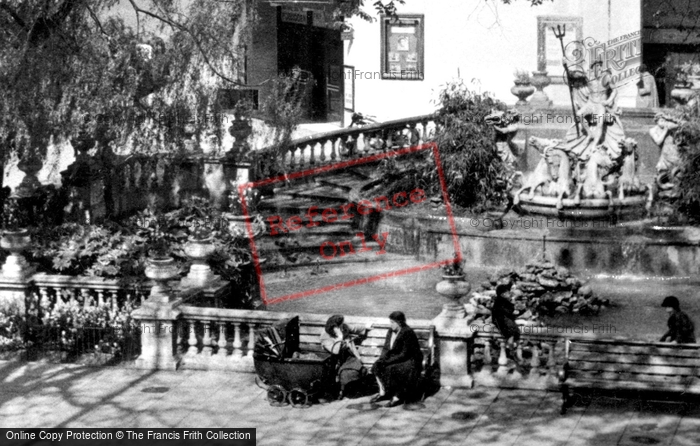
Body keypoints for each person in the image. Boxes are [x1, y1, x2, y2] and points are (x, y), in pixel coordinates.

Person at [370, 311, 423, 407]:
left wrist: (387, 361)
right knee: (376, 366)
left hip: (411, 360)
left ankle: (397, 396)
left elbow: (405, 354)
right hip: (396, 358)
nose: (391, 325)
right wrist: (382, 359)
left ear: (399, 322)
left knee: (393, 369)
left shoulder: (407, 332)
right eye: (390, 322)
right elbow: (386, 348)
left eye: (393, 322)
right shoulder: (390, 331)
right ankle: (383, 392)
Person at [320, 315, 369, 399]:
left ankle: (349, 389)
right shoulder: (325, 336)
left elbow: (354, 328)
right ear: (333, 327)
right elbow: (335, 351)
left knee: (357, 369)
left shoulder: (344, 328)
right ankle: (343, 390)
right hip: (334, 360)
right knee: (346, 373)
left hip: (349, 357)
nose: (342, 328)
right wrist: (340, 337)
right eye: (339, 326)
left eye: (342, 325)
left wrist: (366, 326)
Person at [491, 284, 521, 350]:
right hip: (501, 320)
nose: (509, 294)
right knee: (511, 332)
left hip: (503, 319)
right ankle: (510, 348)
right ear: (503, 294)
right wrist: (512, 306)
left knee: (512, 331)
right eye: (508, 292)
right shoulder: (501, 301)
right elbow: (506, 311)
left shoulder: (501, 300)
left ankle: (511, 347)